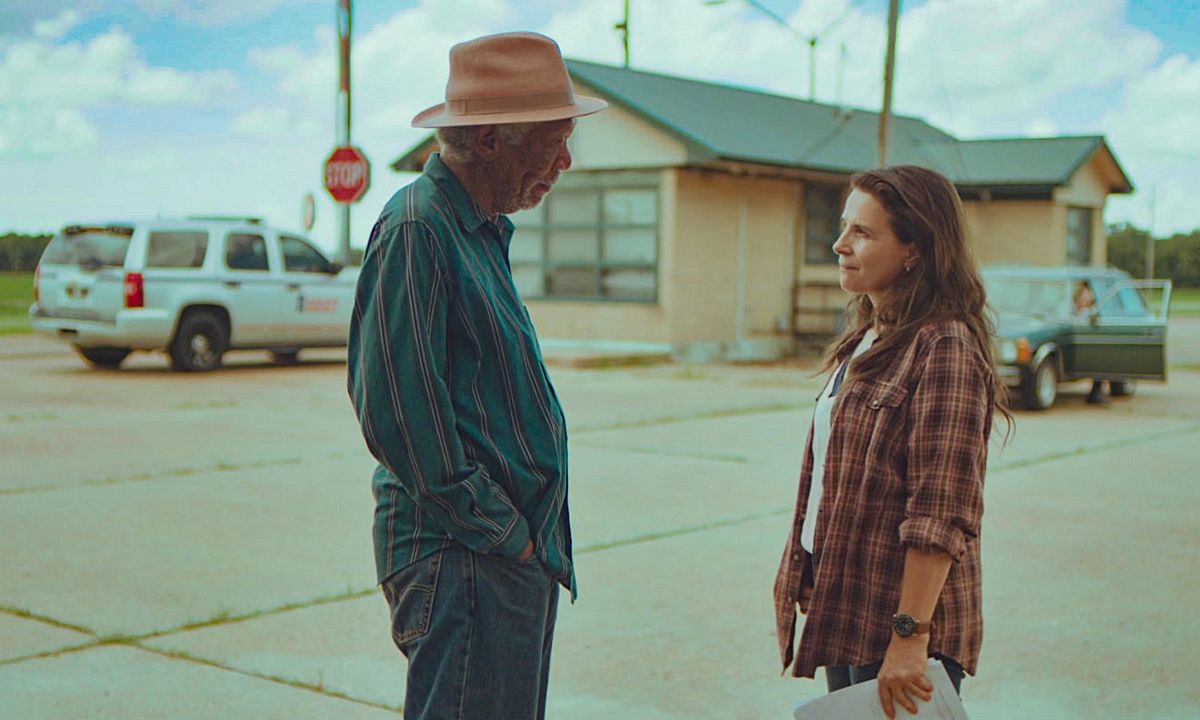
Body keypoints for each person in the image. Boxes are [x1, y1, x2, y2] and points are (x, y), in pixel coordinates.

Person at [346, 32, 605, 720]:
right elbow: (398, 414)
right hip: (464, 557)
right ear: (491, 140)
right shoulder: (418, 228)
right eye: (553, 139)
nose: (566, 161)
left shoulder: (476, 228)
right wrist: (503, 534)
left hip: (496, 559)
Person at [773, 166, 1011, 719]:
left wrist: (910, 636)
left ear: (915, 250)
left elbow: (940, 510)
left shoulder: (944, 345)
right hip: (849, 603)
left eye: (863, 233)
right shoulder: (871, 337)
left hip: (901, 622)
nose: (839, 244)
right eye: (843, 227)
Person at [1073, 280, 1108, 404]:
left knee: (1101, 359)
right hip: (1073, 346)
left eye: (1088, 294)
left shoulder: (1091, 312)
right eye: (1084, 294)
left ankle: (1096, 392)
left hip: (1085, 347)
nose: (1087, 297)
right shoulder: (1070, 310)